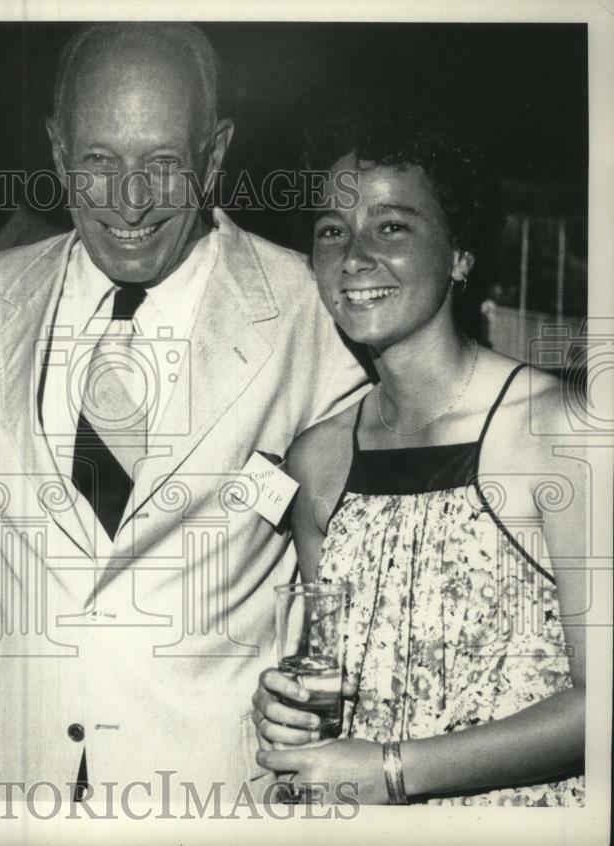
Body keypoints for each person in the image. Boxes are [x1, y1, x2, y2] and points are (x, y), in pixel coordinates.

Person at [0, 22, 368, 801]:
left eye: (163, 163)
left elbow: (345, 568)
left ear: (214, 155)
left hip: (209, 788)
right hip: (11, 779)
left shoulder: (316, 312)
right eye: (99, 160)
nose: (130, 201)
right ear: (58, 151)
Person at [252, 99, 586, 806]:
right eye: (332, 230)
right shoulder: (319, 462)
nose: (354, 256)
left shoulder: (558, 431)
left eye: (393, 226)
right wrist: (287, 709)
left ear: (461, 253)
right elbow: (332, 673)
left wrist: (394, 770)